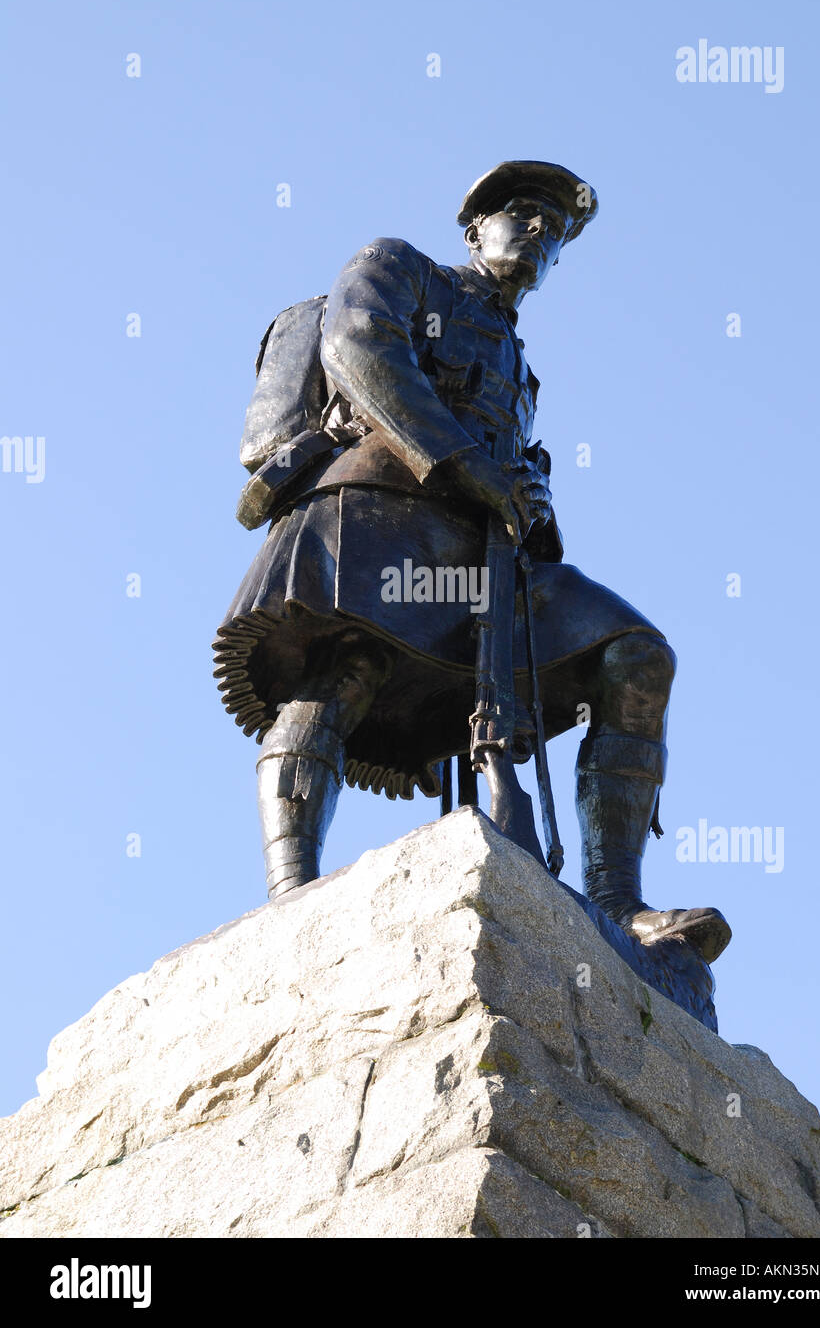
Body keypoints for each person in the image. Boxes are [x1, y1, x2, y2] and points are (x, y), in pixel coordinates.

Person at [214, 160, 730, 963]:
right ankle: (293, 896)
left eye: (553, 231)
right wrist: (469, 463)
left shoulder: (523, 370)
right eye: (523, 215)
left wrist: (529, 497)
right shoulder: (401, 268)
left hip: (491, 553)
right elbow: (359, 347)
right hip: (384, 511)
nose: (539, 235)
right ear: (474, 230)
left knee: (637, 657)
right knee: (348, 666)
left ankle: (618, 901)